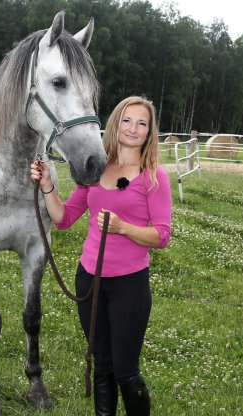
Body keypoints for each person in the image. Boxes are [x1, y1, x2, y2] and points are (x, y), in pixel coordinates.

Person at [30, 96, 172, 415]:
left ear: (149, 132)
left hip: (129, 286)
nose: (133, 128)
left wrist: (123, 228)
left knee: (125, 371)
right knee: (102, 365)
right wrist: (49, 186)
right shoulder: (96, 169)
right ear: (115, 123)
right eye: (127, 120)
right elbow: (63, 219)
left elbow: (161, 236)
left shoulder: (153, 177)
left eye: (142, 123)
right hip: (89, 282)